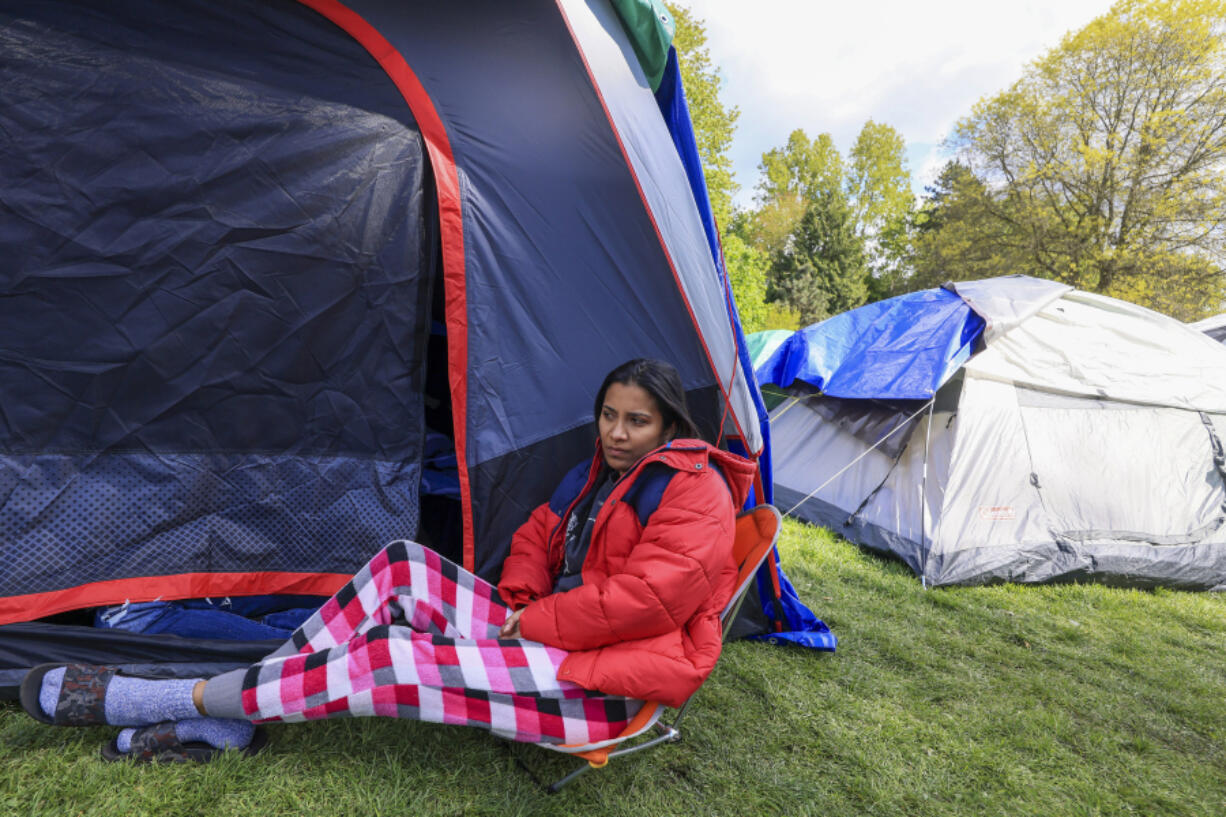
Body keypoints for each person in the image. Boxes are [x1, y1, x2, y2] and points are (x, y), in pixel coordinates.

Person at [21, 358, 754, 762]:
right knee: (404, 564)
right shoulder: (603, 472)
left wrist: (531, 623)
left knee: (389, 659)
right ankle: (239, 711)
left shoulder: (696, 491)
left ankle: (167, 701)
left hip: (600, 685)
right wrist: (522, 596)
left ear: (668, 425)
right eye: (609, 414)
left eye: (636, 420)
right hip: (550, 630)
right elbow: (538, 531)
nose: (617, 431)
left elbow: (643, 604)